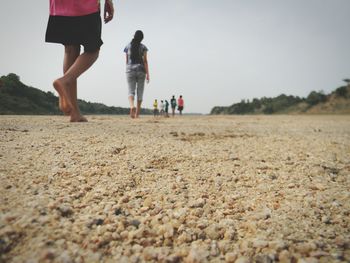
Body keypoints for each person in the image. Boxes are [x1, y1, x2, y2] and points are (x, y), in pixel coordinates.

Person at [45, 0, 114, 122]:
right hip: (85, 6)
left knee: (70, 49)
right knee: (93, 50)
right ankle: (64, 81)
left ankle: (74, 112)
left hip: (60, 6)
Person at [124, 30, 150, 118]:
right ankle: (137, 114)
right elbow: (145, 61)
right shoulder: (144, 47)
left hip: (130, 69)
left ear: (134, 36)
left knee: (131, 91)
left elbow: (127, 61)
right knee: (140, 91)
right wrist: (148, 74)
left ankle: (132, 106)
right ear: (142, 38)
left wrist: (128, 69)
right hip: (141, 70)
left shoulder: (128, 46)